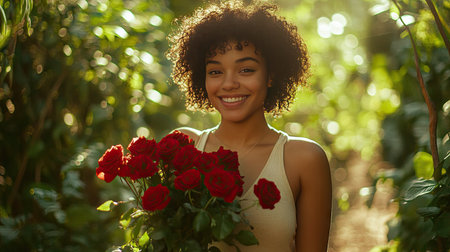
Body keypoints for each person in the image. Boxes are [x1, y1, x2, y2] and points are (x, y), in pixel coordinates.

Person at [166, 1, 332, 251]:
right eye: (215, 72)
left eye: (245, 69)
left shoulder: (304, 160)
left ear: (271, 74)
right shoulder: (183, 147)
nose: (229, 83)